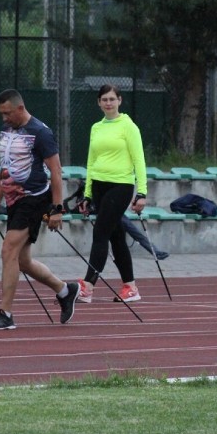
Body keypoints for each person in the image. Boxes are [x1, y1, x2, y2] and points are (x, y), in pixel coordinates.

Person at [0, 89, 79, 330]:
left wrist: (57, 209)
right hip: (14, 201)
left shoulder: (40, 133)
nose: (4, 118)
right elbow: (4, 168)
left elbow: (56, 171)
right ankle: (65, 290)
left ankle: (5, 314)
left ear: (20, 108)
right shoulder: (6, 130)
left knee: (8, 250)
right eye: (0, 114)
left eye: (7, 113)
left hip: (34, 200)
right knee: (22, 261)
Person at [76, 84, 148, 303]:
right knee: (116, 238)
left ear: (119, 101)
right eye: (104, 99)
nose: (108, 103)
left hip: (121, 186)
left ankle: (87, 286)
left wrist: (142, 192)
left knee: (100, 233)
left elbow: (139, 160)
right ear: (99, 102)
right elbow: (91, 161)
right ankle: (131, 288)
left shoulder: (128, 126)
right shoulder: (96, 128)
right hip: (98, 185)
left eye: (112, 99)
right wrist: (87, 194)